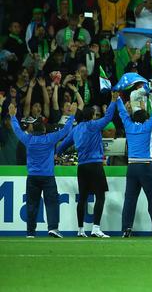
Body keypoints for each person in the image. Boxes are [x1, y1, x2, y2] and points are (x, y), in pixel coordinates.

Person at [9, 103, 76, 238]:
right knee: (51, 203)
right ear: (44, 130)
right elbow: (65, 131)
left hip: (32, 177)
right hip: (47, 177)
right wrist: (72, 115)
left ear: (33, 130)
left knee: (32, 205)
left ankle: (30, 232)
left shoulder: (28, 139)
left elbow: (17, 130)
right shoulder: (50, 139)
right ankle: (52, 228)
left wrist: (12, 117)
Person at [56, 92, 118, 238]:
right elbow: (108, 117)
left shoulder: (76, 129)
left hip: (82, 167)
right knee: (100, 196)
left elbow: (64, 143)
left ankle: (80, 230)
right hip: (95, 165)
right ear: (92, 116)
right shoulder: (94, 125)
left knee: (82, 198)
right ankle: (96, 228)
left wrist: (57, 153)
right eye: (95, 114)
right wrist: (113, 101)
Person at [117, 83, 152, 237]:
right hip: (145, 166)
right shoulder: (147, 127)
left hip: (131, 166)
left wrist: (117, 99)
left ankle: (126, 229)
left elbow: (123, 113)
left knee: (129, 199)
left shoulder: (128, 126)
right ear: (146, 119)